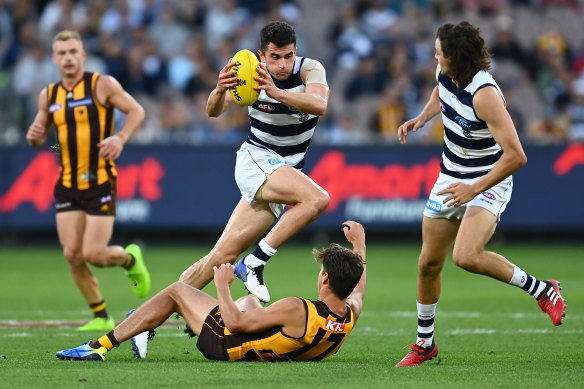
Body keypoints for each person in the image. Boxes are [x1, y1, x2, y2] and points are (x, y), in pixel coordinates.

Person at [396, 21, 567, 367]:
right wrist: (423, 118)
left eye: (439, 52)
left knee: (467, 256)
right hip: (450, 177)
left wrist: (474, 188)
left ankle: (543, 290)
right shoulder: (445, 73)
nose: (434, 55)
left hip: (487, 180)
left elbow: (517, 155)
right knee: (428, 263)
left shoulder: (484, 94)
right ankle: (424, 344)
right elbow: (439, 93)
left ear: (455, 58)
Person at [55, 221, 366, 362]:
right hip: (275, 346)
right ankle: (151, 323)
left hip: (227, 343)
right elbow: (358, 290)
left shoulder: (298, 308)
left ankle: (101, 345)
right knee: (252, 300)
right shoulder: (349, 314)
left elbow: (236, 324)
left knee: (178, 290)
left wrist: (221, 287)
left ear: (325, 279)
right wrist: (359, 246)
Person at [180, 21, 330, 303]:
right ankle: (255, 263)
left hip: (283, 173)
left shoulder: (311, 69)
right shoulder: (248, 72)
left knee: (220, 256)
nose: (283, 64)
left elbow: (320, 104)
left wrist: (276, 92)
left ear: (296, 52)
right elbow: (213, 112)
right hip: (257, 160)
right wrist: (218, 90)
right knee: (318, 199)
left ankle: (148, 318)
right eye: (275, 57)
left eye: (288, 56)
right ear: (262, 56)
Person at [25, 30, 150, 331]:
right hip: (67, 182)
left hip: (99, 179)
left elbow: (137, 110)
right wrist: (34, 137)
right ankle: (101, 316)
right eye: (62, 53)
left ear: (82, 55)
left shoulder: (101, 85)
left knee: (93, 253)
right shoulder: (49, 96)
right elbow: (39, 136)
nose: (68, 57)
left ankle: (130, 260)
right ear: (55, 59)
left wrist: (120, 138)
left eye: (72, 52)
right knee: (72, 254)